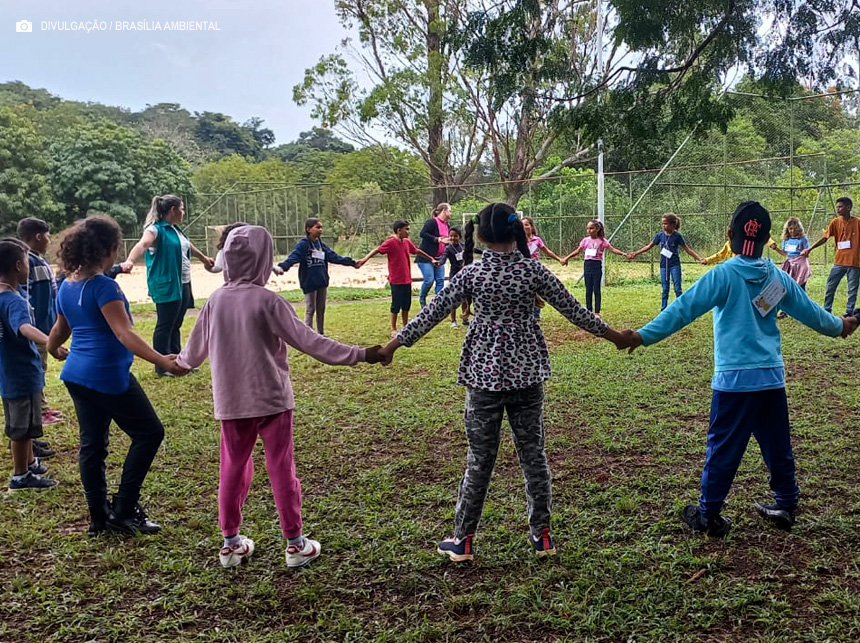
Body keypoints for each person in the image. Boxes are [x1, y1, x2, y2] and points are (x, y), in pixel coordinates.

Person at [378, 203, 631, 561]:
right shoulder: (533, 272)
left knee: (480, 458)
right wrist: (616, 336)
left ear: (480, 235)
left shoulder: (471, 274)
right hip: (528, 376)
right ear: (515, 232)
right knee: (533, 454)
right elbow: (576, 312)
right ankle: (542, 535)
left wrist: (392, 346)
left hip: (483, 379)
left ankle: (462, 540)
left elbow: (430, 314)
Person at [623, 202, 858, 537]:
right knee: (777, 444)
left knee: (722, 447)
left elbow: (682, 309)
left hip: (733, 382)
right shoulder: (777, 276)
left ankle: (708, 515)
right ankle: (787, 504)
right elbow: (812, 313)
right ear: (767, 240)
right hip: (770, 379)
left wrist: (644, 335)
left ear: (730, 236)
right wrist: (841, 325)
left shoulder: (722, 274)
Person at [175, 225, 385, 568]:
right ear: (263, 258)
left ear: (227, 258)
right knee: (282, 469)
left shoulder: (215, 301)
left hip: (231, 403)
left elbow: (192, 354)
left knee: (232, 468)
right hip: (272, 401)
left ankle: (230, 546)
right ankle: (295, 545)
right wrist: (361, 354)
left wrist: (178, 363)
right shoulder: (268, 300)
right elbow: (310, 341)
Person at [47, 216, 187, 536]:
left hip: (76, 376)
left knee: (92, 447)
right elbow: (124, 334)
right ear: (111, 249)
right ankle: (124, 509)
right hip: (106, 375)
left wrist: (54, 349)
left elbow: (59, 329)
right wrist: (161, 361)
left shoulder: (67, 284)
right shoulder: (104, 286)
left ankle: (99, 519)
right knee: (149, 432)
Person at [121, 195, 214, 376]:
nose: (183, 213)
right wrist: (130, 260)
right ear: (173, 210)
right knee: (165, 324)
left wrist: (203, 258)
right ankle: (163, 365)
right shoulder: (155, 230)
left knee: (176, 323)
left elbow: (188, 246)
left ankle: (179, 360)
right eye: (182, 209)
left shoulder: (176, 230)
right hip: (167, 284)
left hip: (183, 282)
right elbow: (143, 244)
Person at [0, 238, 62, 491]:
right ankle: (20, 476)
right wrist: (51, 342)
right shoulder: (13, 301)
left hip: (9, 372)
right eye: (26, 261)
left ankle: (30, 462)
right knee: (21, 428)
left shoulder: (8, 294)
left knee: (23, 425)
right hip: (20, 373)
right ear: (18, 265)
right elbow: (24, 328)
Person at [17, 218, 63, 445]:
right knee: (34, 373)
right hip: (35, 330)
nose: (49, 239)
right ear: (37, 236)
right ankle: (37, 418)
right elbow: (27, 298)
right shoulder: (27, 263)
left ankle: (38, 415)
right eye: (47, 235)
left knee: (39, 370)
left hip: (44, 328)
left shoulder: (36, 261)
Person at [275, 218, 358, 335]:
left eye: (321, 227)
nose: (320, 230)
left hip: (321, 281)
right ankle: (307, 334)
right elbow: (294, 257)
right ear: (309, 229)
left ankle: (320, 334)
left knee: (321, 309)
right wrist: (282, 267)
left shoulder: (321, 245)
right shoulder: (304, 245)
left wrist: (352, 263)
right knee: (310, 309)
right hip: (309, 282)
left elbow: (334, 257)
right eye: (317, 227)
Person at [356, 220, 438, 338]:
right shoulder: (391, 242)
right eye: (407, 229)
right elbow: (377, 249)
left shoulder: (406, 242)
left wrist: (431, 258)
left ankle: (405, 326)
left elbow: (416, 250)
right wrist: (364, 259)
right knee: (396, 305)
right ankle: (393, 328)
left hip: (406, 280)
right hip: (396, 280)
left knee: (406, 304)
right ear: (399, 230)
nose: (408, 232)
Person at [627, 213, 704, 310]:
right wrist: (635, 253)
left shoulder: (677, 236)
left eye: (666, 223)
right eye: (662, 224)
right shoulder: (660, 235)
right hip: (663, 266)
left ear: (673, 224)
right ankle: (663, 308)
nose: (664, 226)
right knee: (665, 288)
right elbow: (648, 246)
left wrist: (699, 258)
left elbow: (687, 249)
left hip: (674, 265)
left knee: (677, 288)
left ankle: (681, 308)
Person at [801, 196, 859, 316]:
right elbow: (825, 238)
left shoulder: (858, 222)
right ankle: (827, 310)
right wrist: (810, 248)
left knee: (852, 289)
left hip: (854, 262)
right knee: (830, 286)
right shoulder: (835, 222)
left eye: (841, 206)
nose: (838, 209)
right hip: (839, 261)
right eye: (837, 207)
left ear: (848, 207)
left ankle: (849, 313)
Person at [563, 219, 629, 316]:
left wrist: (624, 254)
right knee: (588, 289)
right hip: (587, 265)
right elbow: (577, 251)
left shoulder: (602, 241)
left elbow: (612, 249)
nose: (589, 230)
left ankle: (597, 312)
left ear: (597, 229)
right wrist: (567, 258)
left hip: (597, 266)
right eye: (587, 229)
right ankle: (589, 311)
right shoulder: (585, 240)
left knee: (596, 289)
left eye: (591, 228)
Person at [416, 203, 452, 307]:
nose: (451, 213)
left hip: (439, 258)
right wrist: (437, 239)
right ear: (444, 211)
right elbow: (423, 233)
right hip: (426, 258)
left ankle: (438, 303)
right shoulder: (431, 222)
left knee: (440, 280)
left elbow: (446, 240)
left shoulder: (447, 225)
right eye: (450, 210)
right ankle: (422, 300)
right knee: (429, 280)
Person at [774, 217, 811, 319]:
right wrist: (775, 248)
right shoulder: (786, 240)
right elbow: (784, 253)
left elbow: (807, 252)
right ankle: (785, 311)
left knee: (800, 288)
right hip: (790, 264)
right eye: (790, 229)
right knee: (786, 286)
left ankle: (805, 310)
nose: (792, 231)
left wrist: (805, 252)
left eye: (794, 228)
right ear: (787, 229)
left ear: (798, 229)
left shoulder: (803, 239)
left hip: (800, 265)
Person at [442, 226, 469, 327]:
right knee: (453, 298)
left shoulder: (463, 246)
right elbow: (443, 258)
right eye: (451, 236)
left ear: (460, 237)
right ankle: (453, 321)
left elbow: (473, 249)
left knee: (465, 298)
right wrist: (439, 262)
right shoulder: (448, 248)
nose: (453, 238)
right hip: (454, 275)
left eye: (455, 236)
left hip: (464, 274)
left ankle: (465, 319)